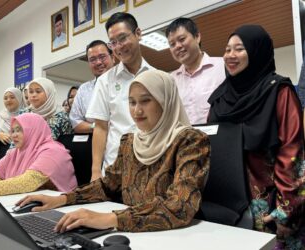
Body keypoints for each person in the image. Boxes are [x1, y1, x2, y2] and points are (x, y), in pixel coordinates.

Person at [16, 69, 210, 233]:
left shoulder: (190, 141)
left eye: (145, 101)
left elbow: (180, 206)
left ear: (165, 101)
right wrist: (62, 199)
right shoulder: (130, 141)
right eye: (132, 102)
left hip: (172, 236)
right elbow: (107, 185)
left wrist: (110, 219)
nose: (137, 111)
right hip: (134, 232)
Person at [207, 25, 305, 249]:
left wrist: (286, 212)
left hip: (271, 210)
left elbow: (292, 153)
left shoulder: (279, 91)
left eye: (239, 49)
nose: (230, 55)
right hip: (228, 210)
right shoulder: (219, 99)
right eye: (227, 49)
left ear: (257, 51)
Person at [86, 12, 154, 181]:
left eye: (122, 38)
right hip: (114, 169)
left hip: (151, 166)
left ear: (138, 33)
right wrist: (95, 172)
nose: (118, 47)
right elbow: (100, 127)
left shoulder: (157, 77)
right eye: (113, 42)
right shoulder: (105, 81)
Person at [0, 113, 77, 196]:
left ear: (34, 130)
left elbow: (26, 183)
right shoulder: (16, 152)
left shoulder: (53, 151)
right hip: (31, 203)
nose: (14, 135)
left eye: (19, 130)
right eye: (13, 130)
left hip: (62, 210)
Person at [166, 17, 225, 125]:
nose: (177, 46)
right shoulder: (170, 80)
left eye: (182, 39)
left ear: (197, 37)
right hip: (185, 140)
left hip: (220, 138)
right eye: (172, 44)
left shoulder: (223, 66)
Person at [70, 40, 114, 133]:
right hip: (93, 143)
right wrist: (97, 127)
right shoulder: (83, 89)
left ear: (113, 57)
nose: (98, 62)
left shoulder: (125, 82)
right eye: (93, 59)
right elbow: (75, 122)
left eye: (102, 57)